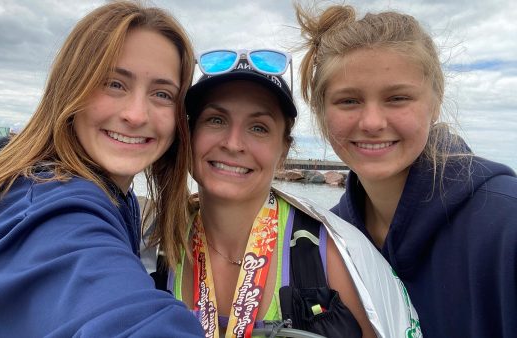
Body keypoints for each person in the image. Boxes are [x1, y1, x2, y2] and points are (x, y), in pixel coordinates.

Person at [0, 2, 204, 337]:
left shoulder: (112, 192)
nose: (137, 115)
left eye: (162, 93)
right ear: (71, 88)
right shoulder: (47, 206)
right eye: (114, 83)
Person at [152, 50, 420, 338]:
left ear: (283, 152)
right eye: (216, 120)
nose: (233, 143)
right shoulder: (156, 242)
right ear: (189, 135)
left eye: (258, 128)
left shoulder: (329, 255)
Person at [295, 4, 517, 338]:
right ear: (322, 111)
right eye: (348, 101)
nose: (371, 122)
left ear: (435, 101)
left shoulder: (506, 224)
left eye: (397, 98)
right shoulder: (329, 238)